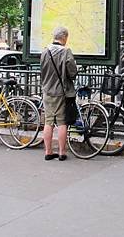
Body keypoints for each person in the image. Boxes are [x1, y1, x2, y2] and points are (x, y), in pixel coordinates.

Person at [40, 26, 78, 161]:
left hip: (47, 91)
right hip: (61, 92)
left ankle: (48, 152)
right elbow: (72, 72)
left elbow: (42, 72)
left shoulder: (45, 51)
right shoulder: (66, 51)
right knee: (62, 122)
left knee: (48, 122)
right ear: (64, 37)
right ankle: (62, 152)